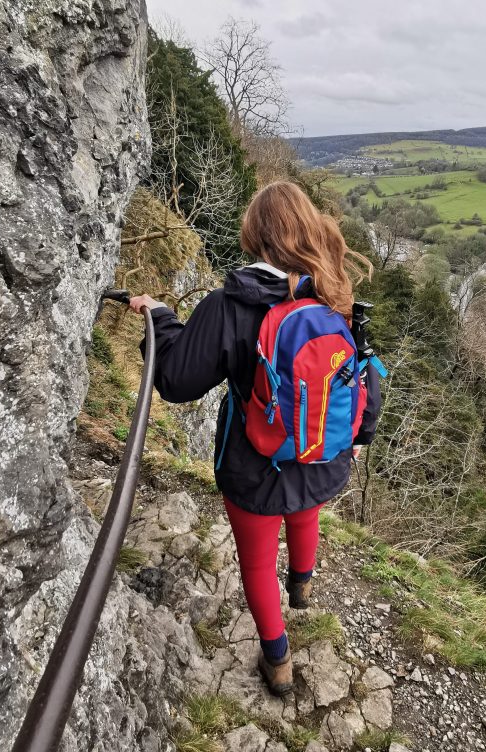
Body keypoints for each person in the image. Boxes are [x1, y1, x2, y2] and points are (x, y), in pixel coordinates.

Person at [127, 181, 382, 695]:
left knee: (258, 561)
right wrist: (361, 435)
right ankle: (304, 584)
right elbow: (367, 371)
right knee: (305, 511)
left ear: (255, 235)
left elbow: (177, 380)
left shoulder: (232, 304)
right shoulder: (334, 293)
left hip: (255, 460)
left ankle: (278, 662)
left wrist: (161, 318)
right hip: (321, 455)